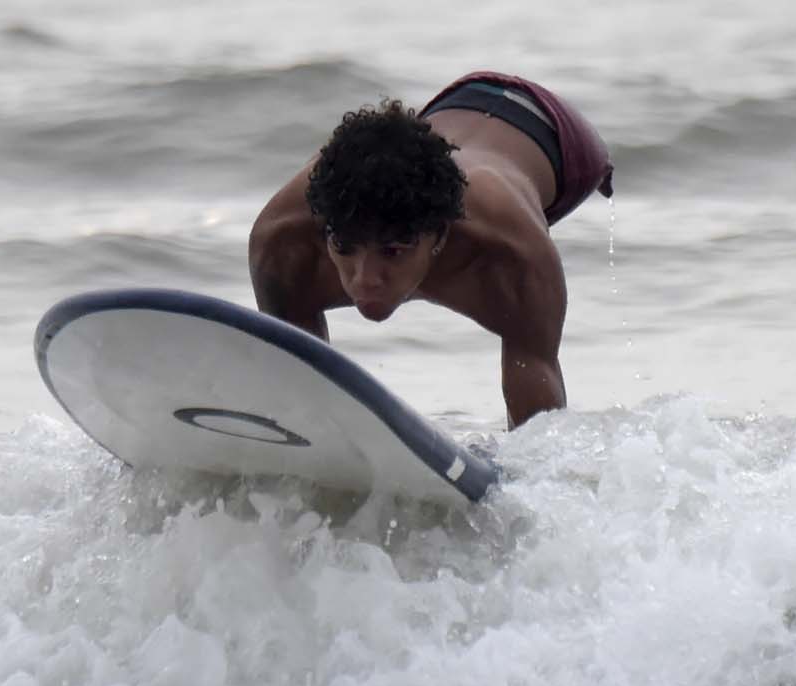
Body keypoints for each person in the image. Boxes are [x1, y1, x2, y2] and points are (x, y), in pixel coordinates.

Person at [248, 72, 614, 428]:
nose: (364, 279)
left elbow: (540, 419)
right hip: (448, 113)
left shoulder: (510, 248)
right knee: (383, 177)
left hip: (558, 138)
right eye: (344, 247)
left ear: (441, 236)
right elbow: (298, 386)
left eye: (392, 252)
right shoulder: (282, 239)